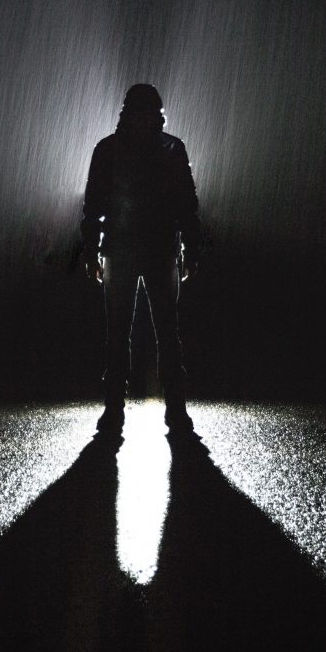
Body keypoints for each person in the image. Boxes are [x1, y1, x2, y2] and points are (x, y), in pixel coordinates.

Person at [81, 83, 201, 434]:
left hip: (126, 249)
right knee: (163, 331)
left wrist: (91, 251)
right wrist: (191, 249)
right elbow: (186, 204)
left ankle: (115, 409)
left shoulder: (108, 149)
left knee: (122, 332)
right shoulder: (171, 149)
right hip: (156, 248)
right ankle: (174, 409)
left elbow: (94, 206)